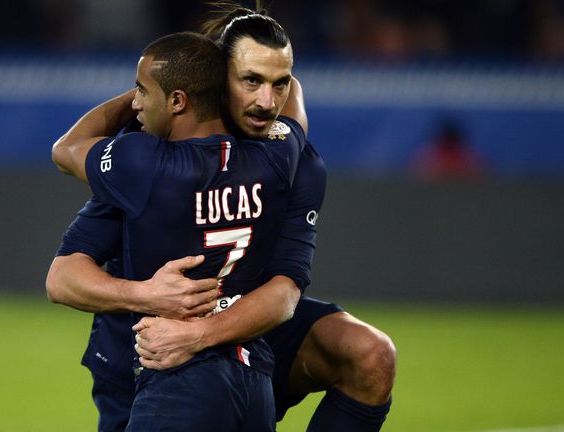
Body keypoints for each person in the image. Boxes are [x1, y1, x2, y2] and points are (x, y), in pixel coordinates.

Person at [49, 4, 396, 432]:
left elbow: (284, 291)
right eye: (250, 80)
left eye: (279, 82)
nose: (266, 101)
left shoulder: (289, 164)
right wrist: (147, 296)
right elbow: (66, 275)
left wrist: (199, 334)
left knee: (368, 354)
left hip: (245, 334)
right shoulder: (161, 151)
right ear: (215, 78)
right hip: (141, 351)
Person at [51, 30, 306, 431]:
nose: (136, 103)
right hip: (253, 377)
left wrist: (169, 78)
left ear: (177, 100)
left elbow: (66, 149)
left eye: (142, 91)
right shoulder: (279, 158)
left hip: (178, 377)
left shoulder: (145, 165)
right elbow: (292, 111)